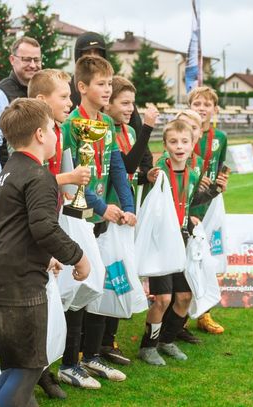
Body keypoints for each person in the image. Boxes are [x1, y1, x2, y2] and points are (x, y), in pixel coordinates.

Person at [0, 98, 91, 407]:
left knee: (15, 367)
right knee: (27, 368)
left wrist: (46, 254)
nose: (56, 135)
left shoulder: (6, 172)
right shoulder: (39, 176)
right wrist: (78, 256)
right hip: (17, 283)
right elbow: (44, 227)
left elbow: (13, 228)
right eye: (54, 128)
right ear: (40, 134)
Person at [59, 55, 133, 389]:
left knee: (99, 284)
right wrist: (102, 207)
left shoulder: (106, 121)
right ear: (82, 87)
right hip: (78, 215)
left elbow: (116, 165)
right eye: (102, 84)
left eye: (110, 83)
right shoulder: (70, 124)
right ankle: (68, 362)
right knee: (79, 286)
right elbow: (75, 179)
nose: (108, 89)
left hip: (101, 216)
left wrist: (128, 205)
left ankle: (90, 356)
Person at [27, 68, 92, 400]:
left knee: (48, 304)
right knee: (32, 307)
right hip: (30, 233)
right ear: (41, 100)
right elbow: (27, 183)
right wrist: (67, 178)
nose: (71, 101)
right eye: (64, 96)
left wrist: (69, 192)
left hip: (49, 224)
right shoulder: (29, 134)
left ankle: (45, 370)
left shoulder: (61, 132)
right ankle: (32, 375)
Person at [137, 120, 224, 365]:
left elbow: (192, 201)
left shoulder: (193, 173)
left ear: (192, 145)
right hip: (160, 244)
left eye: (184, 142)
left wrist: (214, 191)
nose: (179, 146)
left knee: (185, 296)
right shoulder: (159, 172)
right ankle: (148, 346)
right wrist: (148, 176)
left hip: (183, 241)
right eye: (173, 142)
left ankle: (166, 340)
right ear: (164, 145)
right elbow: (147, 189)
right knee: (163, 299)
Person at [100, 76, 159, 365]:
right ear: (107, 103)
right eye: (124, 103)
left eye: (132, 104)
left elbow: (137, 167)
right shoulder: (106, 129)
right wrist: (147, 127)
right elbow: (125, 166)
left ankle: (109, 340)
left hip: (126, 212)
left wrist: (148, 174)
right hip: (107, 212)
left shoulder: (128, 132)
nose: (130, 109)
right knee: (107, 277)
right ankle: (94, 344)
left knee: (120, 276)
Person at [188, 86, 229, 335]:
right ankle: (179, 316)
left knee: (207, 258)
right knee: (188, 260)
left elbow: (221, 164)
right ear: (189, 106)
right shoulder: (183, 131)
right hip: (190, 204)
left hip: (211, 203)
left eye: (207, 104)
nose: (202, 108)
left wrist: (221, 181)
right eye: (197, 103)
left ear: (215, 109)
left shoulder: (220, 137)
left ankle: (204, 313)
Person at [0, 36, 42, 184]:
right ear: (12, 60)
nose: (33, 65)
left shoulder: (38, 91)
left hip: (32, 180)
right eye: (27, 59)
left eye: (37, 59)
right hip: (10, 183)